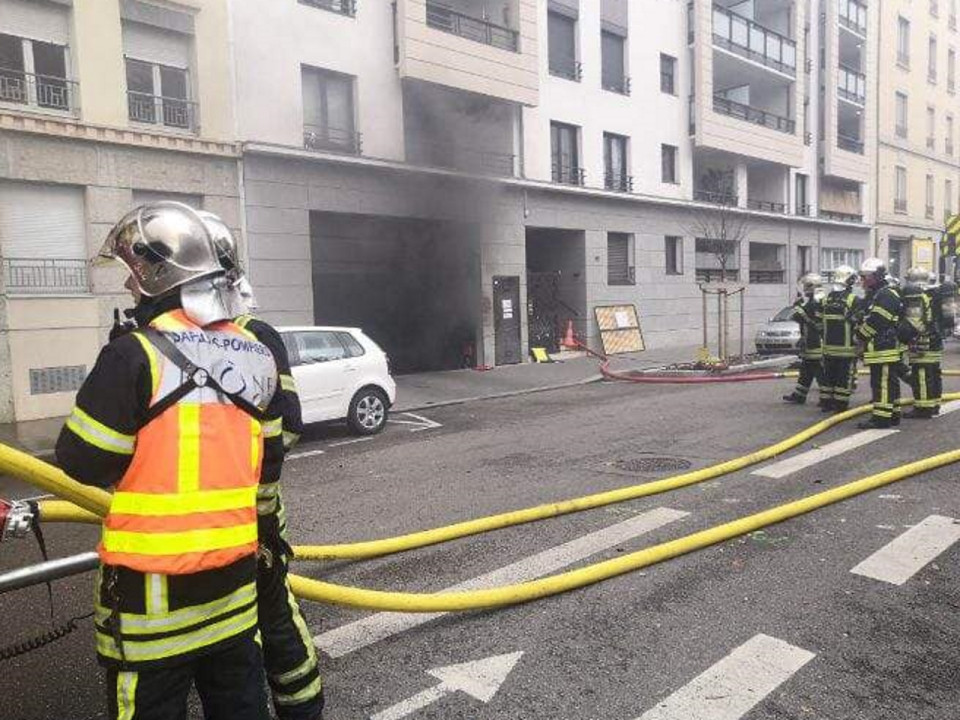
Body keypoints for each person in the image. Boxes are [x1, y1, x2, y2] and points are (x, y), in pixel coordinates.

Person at [55, 202, 283, 720]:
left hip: (151, 607)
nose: (129, 290)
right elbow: (269, 467)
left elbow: (83, 461)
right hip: (233, 598)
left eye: (133, 279)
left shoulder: (135, 353)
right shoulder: (257, 354)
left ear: (160, 276)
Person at [197, 211, 324, 720]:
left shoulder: (255, 335)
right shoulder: (161, 340)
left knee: (273, 620)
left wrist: (236, 482)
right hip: (192, 531)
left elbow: (288, 424)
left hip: (253, 520)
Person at [856, 258, 905, 429]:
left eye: (865, 277)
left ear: (876, 276)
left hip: (883, 347)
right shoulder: (878, 294)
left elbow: (877, 320)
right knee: (889, 382)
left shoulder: (886, 294)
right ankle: (893, 414)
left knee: (882, 383)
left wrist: (860, 336)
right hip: (882, 347)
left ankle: (881, 419)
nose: (862, 280)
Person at [901, 267, 943, 418]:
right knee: (934, 373)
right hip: (936, 339)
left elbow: (915, 321)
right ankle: (935, 405)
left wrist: (906, 336)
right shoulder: (935, 293)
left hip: (923, 341)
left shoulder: (916, 295)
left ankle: (923, 408)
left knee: (921, 374)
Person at [819, 265, 860, 412]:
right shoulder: (852, 300)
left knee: (828, 377)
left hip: (828, 349)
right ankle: (841, 405)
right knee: (843, 378)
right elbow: (859, 322)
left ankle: (826, 403)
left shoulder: (826, 299)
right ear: (848, 280)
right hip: (846, 350)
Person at [783, 273, 825, 405]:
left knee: (820, 373)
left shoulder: (817, 302)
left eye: (806, 286)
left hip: (817, 344)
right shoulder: (815, 300)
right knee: (806, 371)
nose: (805, 289)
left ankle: (826, 398)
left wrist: (798, 306)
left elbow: (799, 317)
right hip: (810, 342)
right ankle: (799, 395)